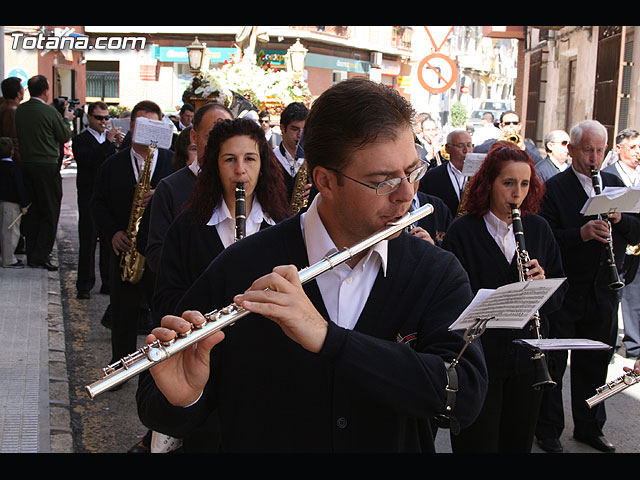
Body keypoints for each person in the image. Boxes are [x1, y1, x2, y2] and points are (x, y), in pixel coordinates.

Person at [135, 77, 488, 453]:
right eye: (384, 181)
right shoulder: (241, 265)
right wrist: (185, 397)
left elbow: (463, 396)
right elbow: (159, 409)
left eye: (412, 171)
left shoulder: (436, 272)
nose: (407, 195)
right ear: (325, 181)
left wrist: (329, 339)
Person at [442, 142, 565, 453]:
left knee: (518, 442)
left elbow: (559, 299)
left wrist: (542, 283)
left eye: (525, 184)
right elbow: (450, 298)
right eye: (508, 183)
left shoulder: (538, 228)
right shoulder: (463, 231)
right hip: (479, 360)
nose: (517, 193)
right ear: (489, 184)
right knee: (477, 443)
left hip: (527, 361)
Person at [535, 120, 640, 453]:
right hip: (565, 292)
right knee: (555, 363)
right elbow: (545, 238)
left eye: (599, 150)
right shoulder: (554, 188)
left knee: (595, 363)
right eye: (587, 150)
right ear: (571, 149)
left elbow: (637, 231)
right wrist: (580, 234)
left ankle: (590, 427)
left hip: (603, 291)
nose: (594, 157)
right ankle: (548, 429)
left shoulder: (612, 183)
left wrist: (620, 219)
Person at [91, 100, 175, 374]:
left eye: (154, 125)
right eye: (142, 125)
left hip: (159, 251)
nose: (149, 132)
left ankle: (162, 368)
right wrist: (112, 233)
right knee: (123, 315)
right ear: (131, 127)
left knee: (162, 314)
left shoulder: (172, 162)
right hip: (124, 251)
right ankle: (120, 368)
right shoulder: (112, 165)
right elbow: (98, 204)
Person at [143, 102, 233, 277]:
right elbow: (155, 255)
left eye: (227, 138)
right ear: (194, 137)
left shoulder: (243, 183)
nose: (220, 146)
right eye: (211, 137)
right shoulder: (170, 188)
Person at [15, 75, 74, 271]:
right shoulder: (48, 112)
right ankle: (42, 254)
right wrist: (66, 118)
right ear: (46, 91)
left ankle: (32, 252)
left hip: (26, 164)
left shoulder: (21, 110)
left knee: (31, 211)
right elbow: (64, 135)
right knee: (49, 210)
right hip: (47, 166)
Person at [72, 101, 123, 299]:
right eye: (99, 118)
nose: (103, 122)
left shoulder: (109, 140)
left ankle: (107, 282)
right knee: (88, 241)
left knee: (109, 241)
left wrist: (118, 145)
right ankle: (84, 285)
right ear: (89, 118)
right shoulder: (80, 140)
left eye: (106, 118)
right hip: (88, 197)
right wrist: (108, 143)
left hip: (107, 198)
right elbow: (89, 163)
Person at [603, 129, 640, 359]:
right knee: (613, 293)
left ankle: (635, 343)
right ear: (619, 148)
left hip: (636, 237)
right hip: (616, 242)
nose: (637, 152)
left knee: (635, 295)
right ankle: (610, 340)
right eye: (633, 147)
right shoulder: (609, 174)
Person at [419, 129, 473, 217]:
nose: (466, 150)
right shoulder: (431, 177)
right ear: (448, 148)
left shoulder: (480, 175)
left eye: (469, 145)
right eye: (460, 146)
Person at [0, 137, 29, 268]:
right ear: (11, 151)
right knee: (10, 232)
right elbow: (19, 187)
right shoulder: (14, 168)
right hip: (11, 204)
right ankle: (8, 260)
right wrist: (24, 204)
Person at [475, 111, 544, 165]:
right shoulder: (492, 142)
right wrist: (497, 143)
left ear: (519, 126)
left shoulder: (528, 146)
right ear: (501, 126)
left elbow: (539, 163)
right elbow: (476, 152)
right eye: (507, 123)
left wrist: (523, 148)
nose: (511, 126)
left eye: (515, 123)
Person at [272, 101, 309, 204]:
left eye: (304, 130)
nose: (300, 136)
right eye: (295, 129)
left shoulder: (312, 161)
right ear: (282, 128)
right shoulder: (270, 159)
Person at [0, 77, 24, 162]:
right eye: (22, 88)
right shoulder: (11, 111)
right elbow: (12, 138)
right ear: (18, 94)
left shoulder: (4, 106)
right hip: (11, 159)